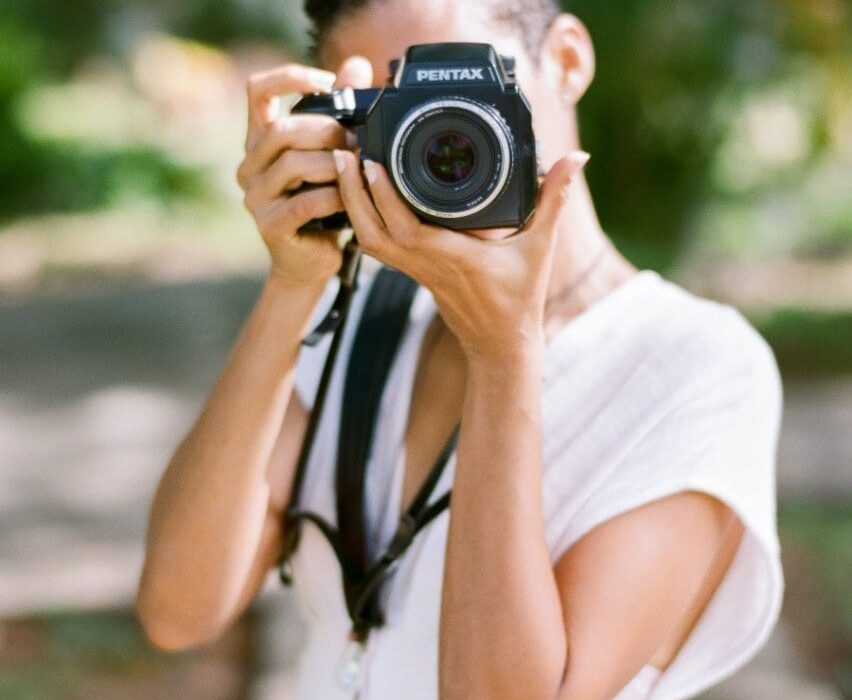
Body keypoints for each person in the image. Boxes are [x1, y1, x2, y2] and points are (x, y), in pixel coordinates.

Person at [135, 1, 785, 698]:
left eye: (462, 85)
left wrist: (504, 356)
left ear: (566, 61)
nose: (437, 131)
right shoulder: (361, 320)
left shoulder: (696, 368)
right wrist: (292, 286)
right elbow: (179, 611)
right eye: (396, 100)